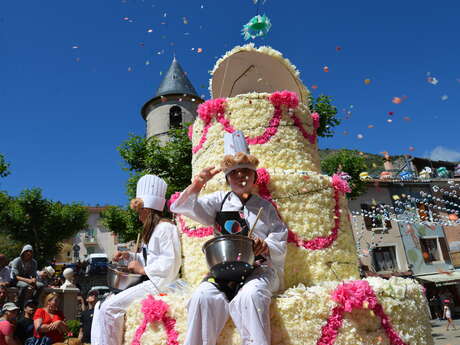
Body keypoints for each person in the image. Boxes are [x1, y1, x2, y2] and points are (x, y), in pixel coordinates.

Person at [170, 131, 288, 345]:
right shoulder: (218, 201)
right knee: (201, 297)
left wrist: (266, 245)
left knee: (251, 296)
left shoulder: (265, 207)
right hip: (224, 271)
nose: (241, 176)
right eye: (235, 173)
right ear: (227, 178)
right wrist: (199, 183)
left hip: (259, 269)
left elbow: (279, 236)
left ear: (255, 177)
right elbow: (180, 207)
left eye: (246, 172)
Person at [92, 174, 182, 345]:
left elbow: (171, 263)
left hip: (159, 283)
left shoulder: (165, 228)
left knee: (109, 309)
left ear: (147, 211)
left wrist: (142, 270)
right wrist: (129, 256)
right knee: (102, 305)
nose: (138, 217)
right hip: (152, 281)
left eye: (139, 212)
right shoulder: (155, 231)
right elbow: (149, 257)